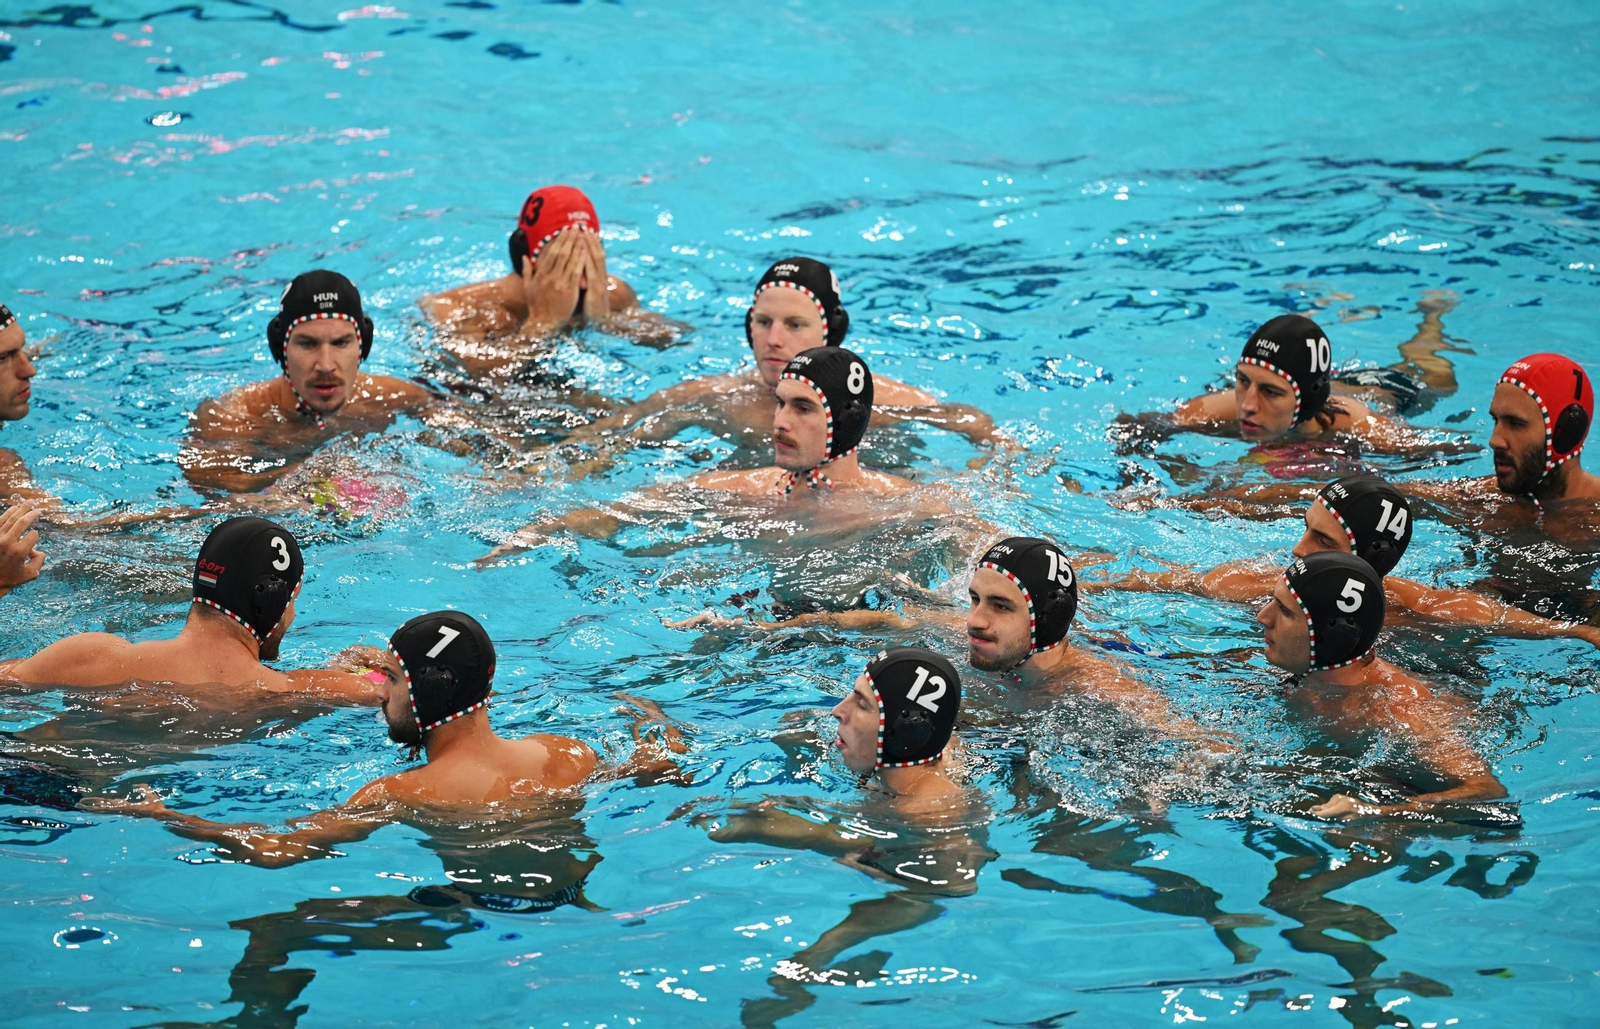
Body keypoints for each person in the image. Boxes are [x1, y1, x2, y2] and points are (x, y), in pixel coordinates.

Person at [92, 610, 685, 878]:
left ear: (421, 694)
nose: (380, 694)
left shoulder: (400, 792)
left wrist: (162, 815)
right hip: (574, 883)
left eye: (393, 681)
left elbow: (278, 850)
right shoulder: (567, 753)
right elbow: (660, 764)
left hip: (475, 906)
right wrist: (654, 723)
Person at [675, 536, 1225, 743]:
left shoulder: (1098, 688)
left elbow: (1191, 739)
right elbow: (882, 623)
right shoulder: (965, 638)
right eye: (975, 600)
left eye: (1000, 606)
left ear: (1047, 624)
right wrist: (759, 631)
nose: (974, 621)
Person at [702, 647, 992, 1022]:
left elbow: (841, 839)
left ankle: (802, 976)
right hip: (893, 837)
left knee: (822, 943)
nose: (838, 711)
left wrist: (768, 829)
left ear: (904, 731)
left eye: (862, 704)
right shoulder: (920, 757)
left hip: (921, 884)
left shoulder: (925, 813)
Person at [479, 346, 938, 561]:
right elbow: (623, 511)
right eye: (780, 403)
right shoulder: (743, 489)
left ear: (847, 419)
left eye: (802, 408)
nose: (779, 421)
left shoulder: (906, 507)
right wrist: (533, 533)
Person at [554, 257, 1008, 471]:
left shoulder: (882, 401)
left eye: (794, 324)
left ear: (831, 331)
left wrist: (993, 464)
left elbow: (973, 423)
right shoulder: (713, 396)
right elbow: (613, 438)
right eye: (763, 322)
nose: (774, 340)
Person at [1093, 472, 1600, 647]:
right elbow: (1170, 580)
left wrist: (1576, 632)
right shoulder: (1261, 583)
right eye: (1305, 531)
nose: (1298, 551)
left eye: (1322, 542)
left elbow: (1486, 614)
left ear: (1365, 561)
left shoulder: (1413, 605)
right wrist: (1088, 583)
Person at [0, 516, 375, 699]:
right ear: (273, 603)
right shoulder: (283, 693)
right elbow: (393, 693)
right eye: (292, 601)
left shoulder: (87, 658)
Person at [1254, 552, 1507, 819]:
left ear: (1332, 635)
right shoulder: (1308, 675)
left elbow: (1487, 790)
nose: (1263, 616)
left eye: (1284, 610)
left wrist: (1377, 812)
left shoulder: (1400, 708)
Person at [179, 270, 444, 494]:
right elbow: (218, 502)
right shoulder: (232, 419)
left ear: (363, 345)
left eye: (341, 343)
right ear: (280, 349)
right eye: (308, 344)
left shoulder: (392, 397)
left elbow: (467, 435)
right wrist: (313, 479)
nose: (325, 365)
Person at [417, 184, 682, 373]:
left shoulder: (612, 293)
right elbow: (479, 373)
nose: (580, 281)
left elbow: (675, 341)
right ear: (525, 256)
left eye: (588, 258)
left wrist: (606, 322)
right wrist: (542, 325)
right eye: (562, 262)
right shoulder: (456, 307)